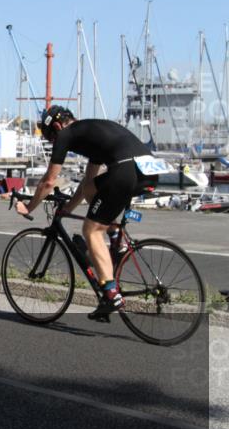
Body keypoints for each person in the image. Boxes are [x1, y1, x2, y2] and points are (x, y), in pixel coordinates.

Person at [16, 106, 161, 321]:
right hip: (150, 170)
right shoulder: (92, 131)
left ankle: (111, 293)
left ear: (56, 127)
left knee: (90, 230)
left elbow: (48, 181)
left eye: (51, 137)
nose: (54, 141)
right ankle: (115, 238)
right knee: (93, 188)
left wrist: (28, 208)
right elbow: (87, 184)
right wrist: (68, 209)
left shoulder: (66, 134)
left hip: (125, 170)